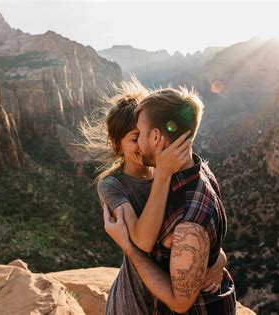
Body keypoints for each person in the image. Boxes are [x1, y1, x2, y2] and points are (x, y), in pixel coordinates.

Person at [80, 78, 227, 315]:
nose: (141, 144)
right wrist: (162, 175)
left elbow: (199, 225)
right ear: (117, 144)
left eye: (143, 135)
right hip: (134, 300)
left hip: (168, 298)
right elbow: (144, 243)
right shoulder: (113, 185)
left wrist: (217, 259)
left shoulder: (166, 167)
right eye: (133, 138)